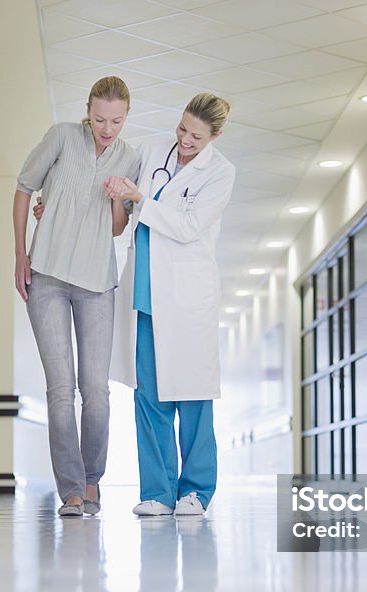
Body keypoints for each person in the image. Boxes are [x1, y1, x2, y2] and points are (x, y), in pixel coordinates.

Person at [13, 76, 141, 517]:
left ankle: (91, 481)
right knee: (61, 389)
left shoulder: (131, 158)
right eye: (100, 118)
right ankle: (69, 489)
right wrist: (20, 254)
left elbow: (117, 228)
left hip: (97, 283)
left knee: (96, 391)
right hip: (46, 275)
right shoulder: (63, 137)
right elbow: (24, 187)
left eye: (117, 120)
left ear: (126, 117)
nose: (108, 128)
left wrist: (118, 199)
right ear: (87, 111)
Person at [104, 93, 235, 517]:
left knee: (193, 397)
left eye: (196, 136)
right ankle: (157, 493)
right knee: (150, 397)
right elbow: (117, 193)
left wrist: (142, 201)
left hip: (186, 299)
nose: (184, 140)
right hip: (144, 292)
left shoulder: (220, 173)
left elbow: (189, 227)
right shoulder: (153, 152)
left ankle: (195, 492)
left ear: (213, 136)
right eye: (181, 129)